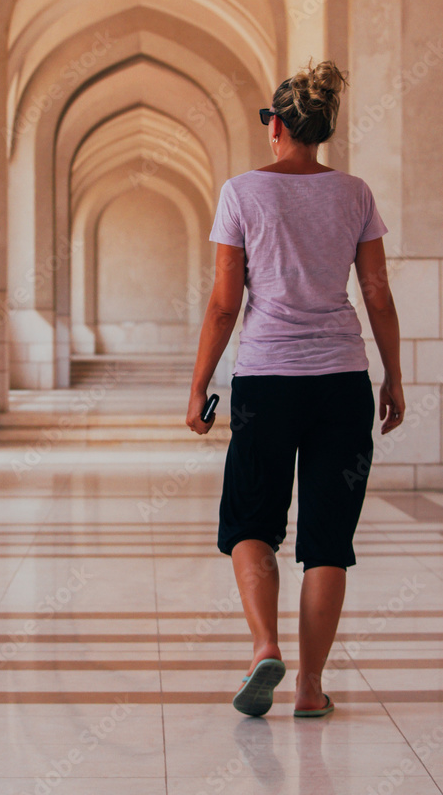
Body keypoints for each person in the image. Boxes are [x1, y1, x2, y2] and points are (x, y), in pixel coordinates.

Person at [186, 59, 405, 718]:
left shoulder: (241, 193)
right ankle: (309, 689)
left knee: (250, 522)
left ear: (275, 124)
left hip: (267, 381)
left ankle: (262, 647)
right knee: (325, 540)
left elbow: (225, 303)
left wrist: (198, 385)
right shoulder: (354, 194)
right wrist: (392, 374)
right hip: (342, 381)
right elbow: (376, 295)